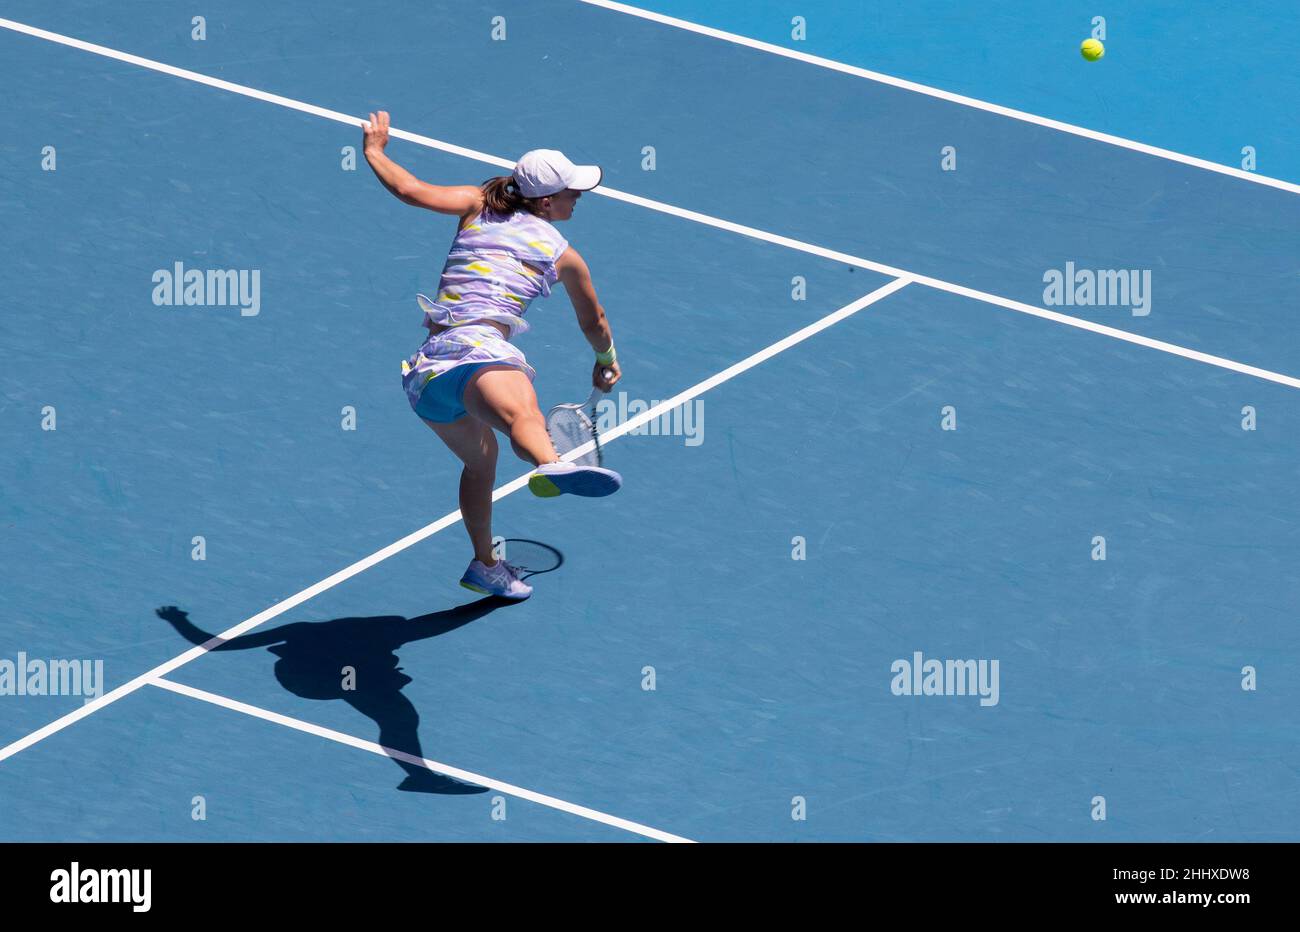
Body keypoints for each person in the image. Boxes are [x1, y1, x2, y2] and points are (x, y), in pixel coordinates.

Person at [363, 111, 621, 601]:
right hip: (476, 351)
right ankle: (551, 462)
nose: (579, 197)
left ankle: (486, 566)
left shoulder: (477, 202)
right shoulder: (563, 254)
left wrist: (376, 151)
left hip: (426, 378)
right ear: (547, 200)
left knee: (482, 463)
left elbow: (410, 191)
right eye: (572, 190)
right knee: (523, 410)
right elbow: (595, 321)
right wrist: (605, 357)